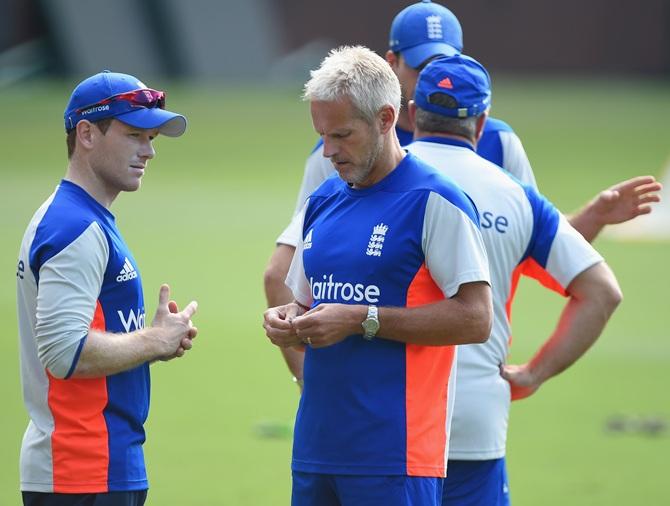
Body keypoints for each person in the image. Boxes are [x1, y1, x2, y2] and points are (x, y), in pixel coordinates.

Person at [263, 1, 660, 382]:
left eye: (445, 63)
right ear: (392, 64)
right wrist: (306, 373)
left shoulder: (500, 144)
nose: (437, 79)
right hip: (388, 378)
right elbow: (292, 267)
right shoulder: (333, 152)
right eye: (421, 66)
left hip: (470, 368)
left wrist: (592, 217)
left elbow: (523, 246)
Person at [263, 45, 492, 506]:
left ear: (387, 119)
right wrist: (288, 320)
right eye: (322, 134)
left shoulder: (435, 201)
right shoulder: (323, 200)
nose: (328, 151)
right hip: (316, 449)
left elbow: (476, 319)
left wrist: (362, 319)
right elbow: (307, 302)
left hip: (395, 457)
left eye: (342, 135)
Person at [406, 53, 623, 504]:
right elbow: (601, 293)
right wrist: (535, 373)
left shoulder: (371, 182)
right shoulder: (517, 197)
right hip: (474, 417)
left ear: (411, 114)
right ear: (481, 123)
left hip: (384, 416)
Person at [16, 70, 198, 506]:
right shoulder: (75, 228)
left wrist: (153, 339)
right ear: (86, 134)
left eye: (151, 137)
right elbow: (64, 353)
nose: (149, 151)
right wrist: (154, 340)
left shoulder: (75, 218)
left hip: (92, 469)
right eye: (134, 134)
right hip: (83, 471)